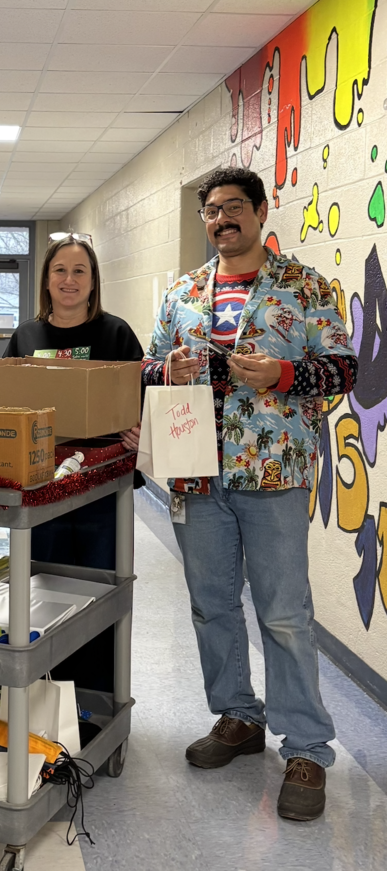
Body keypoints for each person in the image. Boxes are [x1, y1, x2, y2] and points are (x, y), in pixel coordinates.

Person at [142, 167, 358, 821]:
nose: (221, 219)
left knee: (284, 613)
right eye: (212, 209)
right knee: (211, 604)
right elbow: (150, 365)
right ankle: (237, 716)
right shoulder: (182, 293)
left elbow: (346, 369)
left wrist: (283, 372)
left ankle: (307, 747)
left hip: (275, 472)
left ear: (263, 211)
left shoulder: (307, 288)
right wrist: (169, 369)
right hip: (197, 468)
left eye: (235, 207)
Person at [4, 232, 143, 692]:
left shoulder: (116, 334)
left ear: (92, 280)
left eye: (79, 270)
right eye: (59, 270)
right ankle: (47, 694)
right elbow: (3, 410)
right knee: (44, 590)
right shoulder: (26, 336)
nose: (69, 279)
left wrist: (141, 432)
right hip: (41, 489)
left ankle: (98, 697)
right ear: (45, 280)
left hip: (102, 491)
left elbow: (146, 400)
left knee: (100, 591)